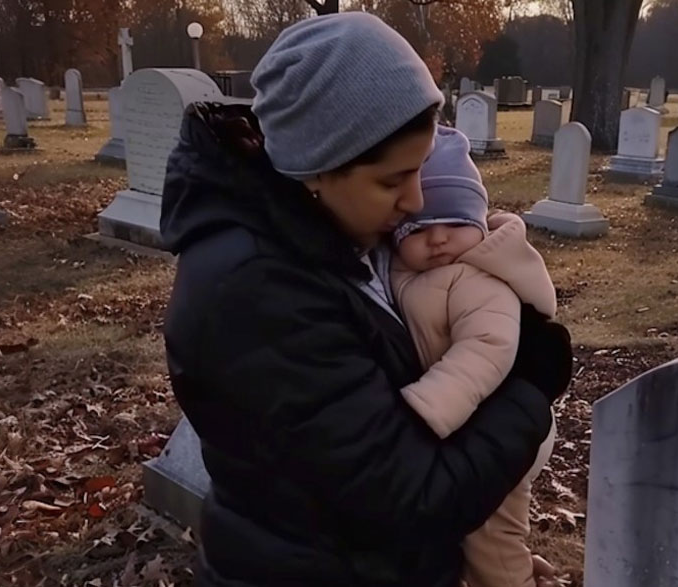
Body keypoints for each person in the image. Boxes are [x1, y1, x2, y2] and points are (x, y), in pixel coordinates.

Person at [159, 12, 574, 587]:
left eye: (420, 170)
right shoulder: (257, 295)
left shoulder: (336, 238)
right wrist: (529, 387)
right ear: (316, 169)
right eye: (391, 180)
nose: (415, 200)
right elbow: (409, 498)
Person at [390, 125, 559, 587]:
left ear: (480, 224)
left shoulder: (477, 279)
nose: (438, 239)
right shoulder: (401, 270)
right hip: (466, 426)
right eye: (420, 227)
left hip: (495, 421)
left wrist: (427, 407)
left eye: (456, 223)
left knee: (492, 532)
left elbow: (488, 347)